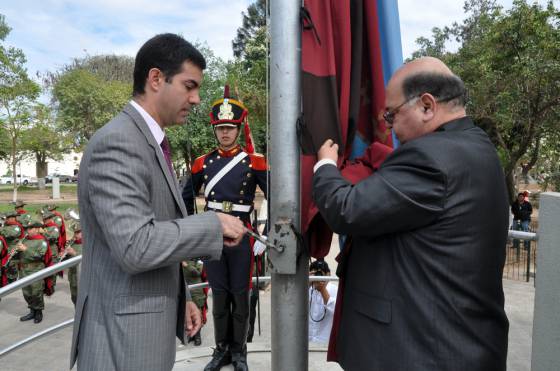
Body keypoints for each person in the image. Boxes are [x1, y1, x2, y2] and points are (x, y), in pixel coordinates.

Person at [312, 57, 509, 371]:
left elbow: (346, 209)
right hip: (459, 343)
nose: (389, 127)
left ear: (427, 106)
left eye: (392, 114)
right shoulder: (478, 145)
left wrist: (324, 164)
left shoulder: (430, 156)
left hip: (419, 351)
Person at [70, 33, 246, 371]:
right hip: (121, 340)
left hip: (143, 329)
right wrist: (212, 223)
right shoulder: (119, 143)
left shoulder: (148, 141)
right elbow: (135, 244)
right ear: (155, 79)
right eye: (189, 85)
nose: (196, 99)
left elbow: (158, 228)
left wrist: (179, 299)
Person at [182, 85, 268, 371]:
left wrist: (264, 236)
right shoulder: (201, 163)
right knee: (218, 297)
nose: (225, 133)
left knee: (240, 297)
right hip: (213, 238)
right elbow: (185, 201)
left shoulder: (254, 162)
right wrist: (192, 233)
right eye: (220, 128)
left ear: (238, 127)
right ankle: (221, 350)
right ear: (215, 130)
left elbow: (276, 199)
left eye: (230, 127)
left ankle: (239, 351)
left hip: (242, 238)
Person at [17, 220, 54, 324]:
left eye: (30, 228)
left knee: (36, 292)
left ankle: (38, 312)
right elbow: (20, 255)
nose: (27, 231)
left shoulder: (42, 241)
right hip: (24, 270)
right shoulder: (25, 240)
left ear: (37, 229)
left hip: (36, 269)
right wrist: (16, 252)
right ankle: (32, 311)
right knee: (27, 292)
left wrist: (25, 249)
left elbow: (39, 255)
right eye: (27, 229)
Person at [308, 259, 337, 345]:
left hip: (325, 342)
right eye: (315, 273)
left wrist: (323, 290)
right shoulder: (306, 288)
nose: (318, 276)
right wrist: (305, 284)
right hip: (306, 341)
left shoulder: (335, 290)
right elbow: (294, 307)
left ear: (329, 274)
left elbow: (337, 311)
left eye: (321, 273)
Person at [182, 259, 207, 346]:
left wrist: (186, 265)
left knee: (198, 314)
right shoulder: (182, 258)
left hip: (196, 292)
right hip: (186, 291)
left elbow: (198, 273)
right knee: (188, 314)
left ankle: (197, 337)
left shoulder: (198, 260)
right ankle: (192, 335)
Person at [0, 211, 25, 283]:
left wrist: (1, 229)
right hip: (6, 250)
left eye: (7, 218)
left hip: (14, 251)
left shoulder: (17, 226)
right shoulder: (6, 226)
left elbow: (11, 234)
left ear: (12, 218)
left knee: (11, 267)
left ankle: (13, 281)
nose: (5, 220)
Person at [63, 222, 83, 306]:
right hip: (72, 276)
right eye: (75, 232)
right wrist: (63, 255)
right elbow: (66, 261)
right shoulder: (72, 243)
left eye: (78, 232)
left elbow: (89, 259)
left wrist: (74, 253)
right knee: (74, 298)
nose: (75, 235)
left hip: (83, 277)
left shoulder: (89, 244)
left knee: (84, 300)